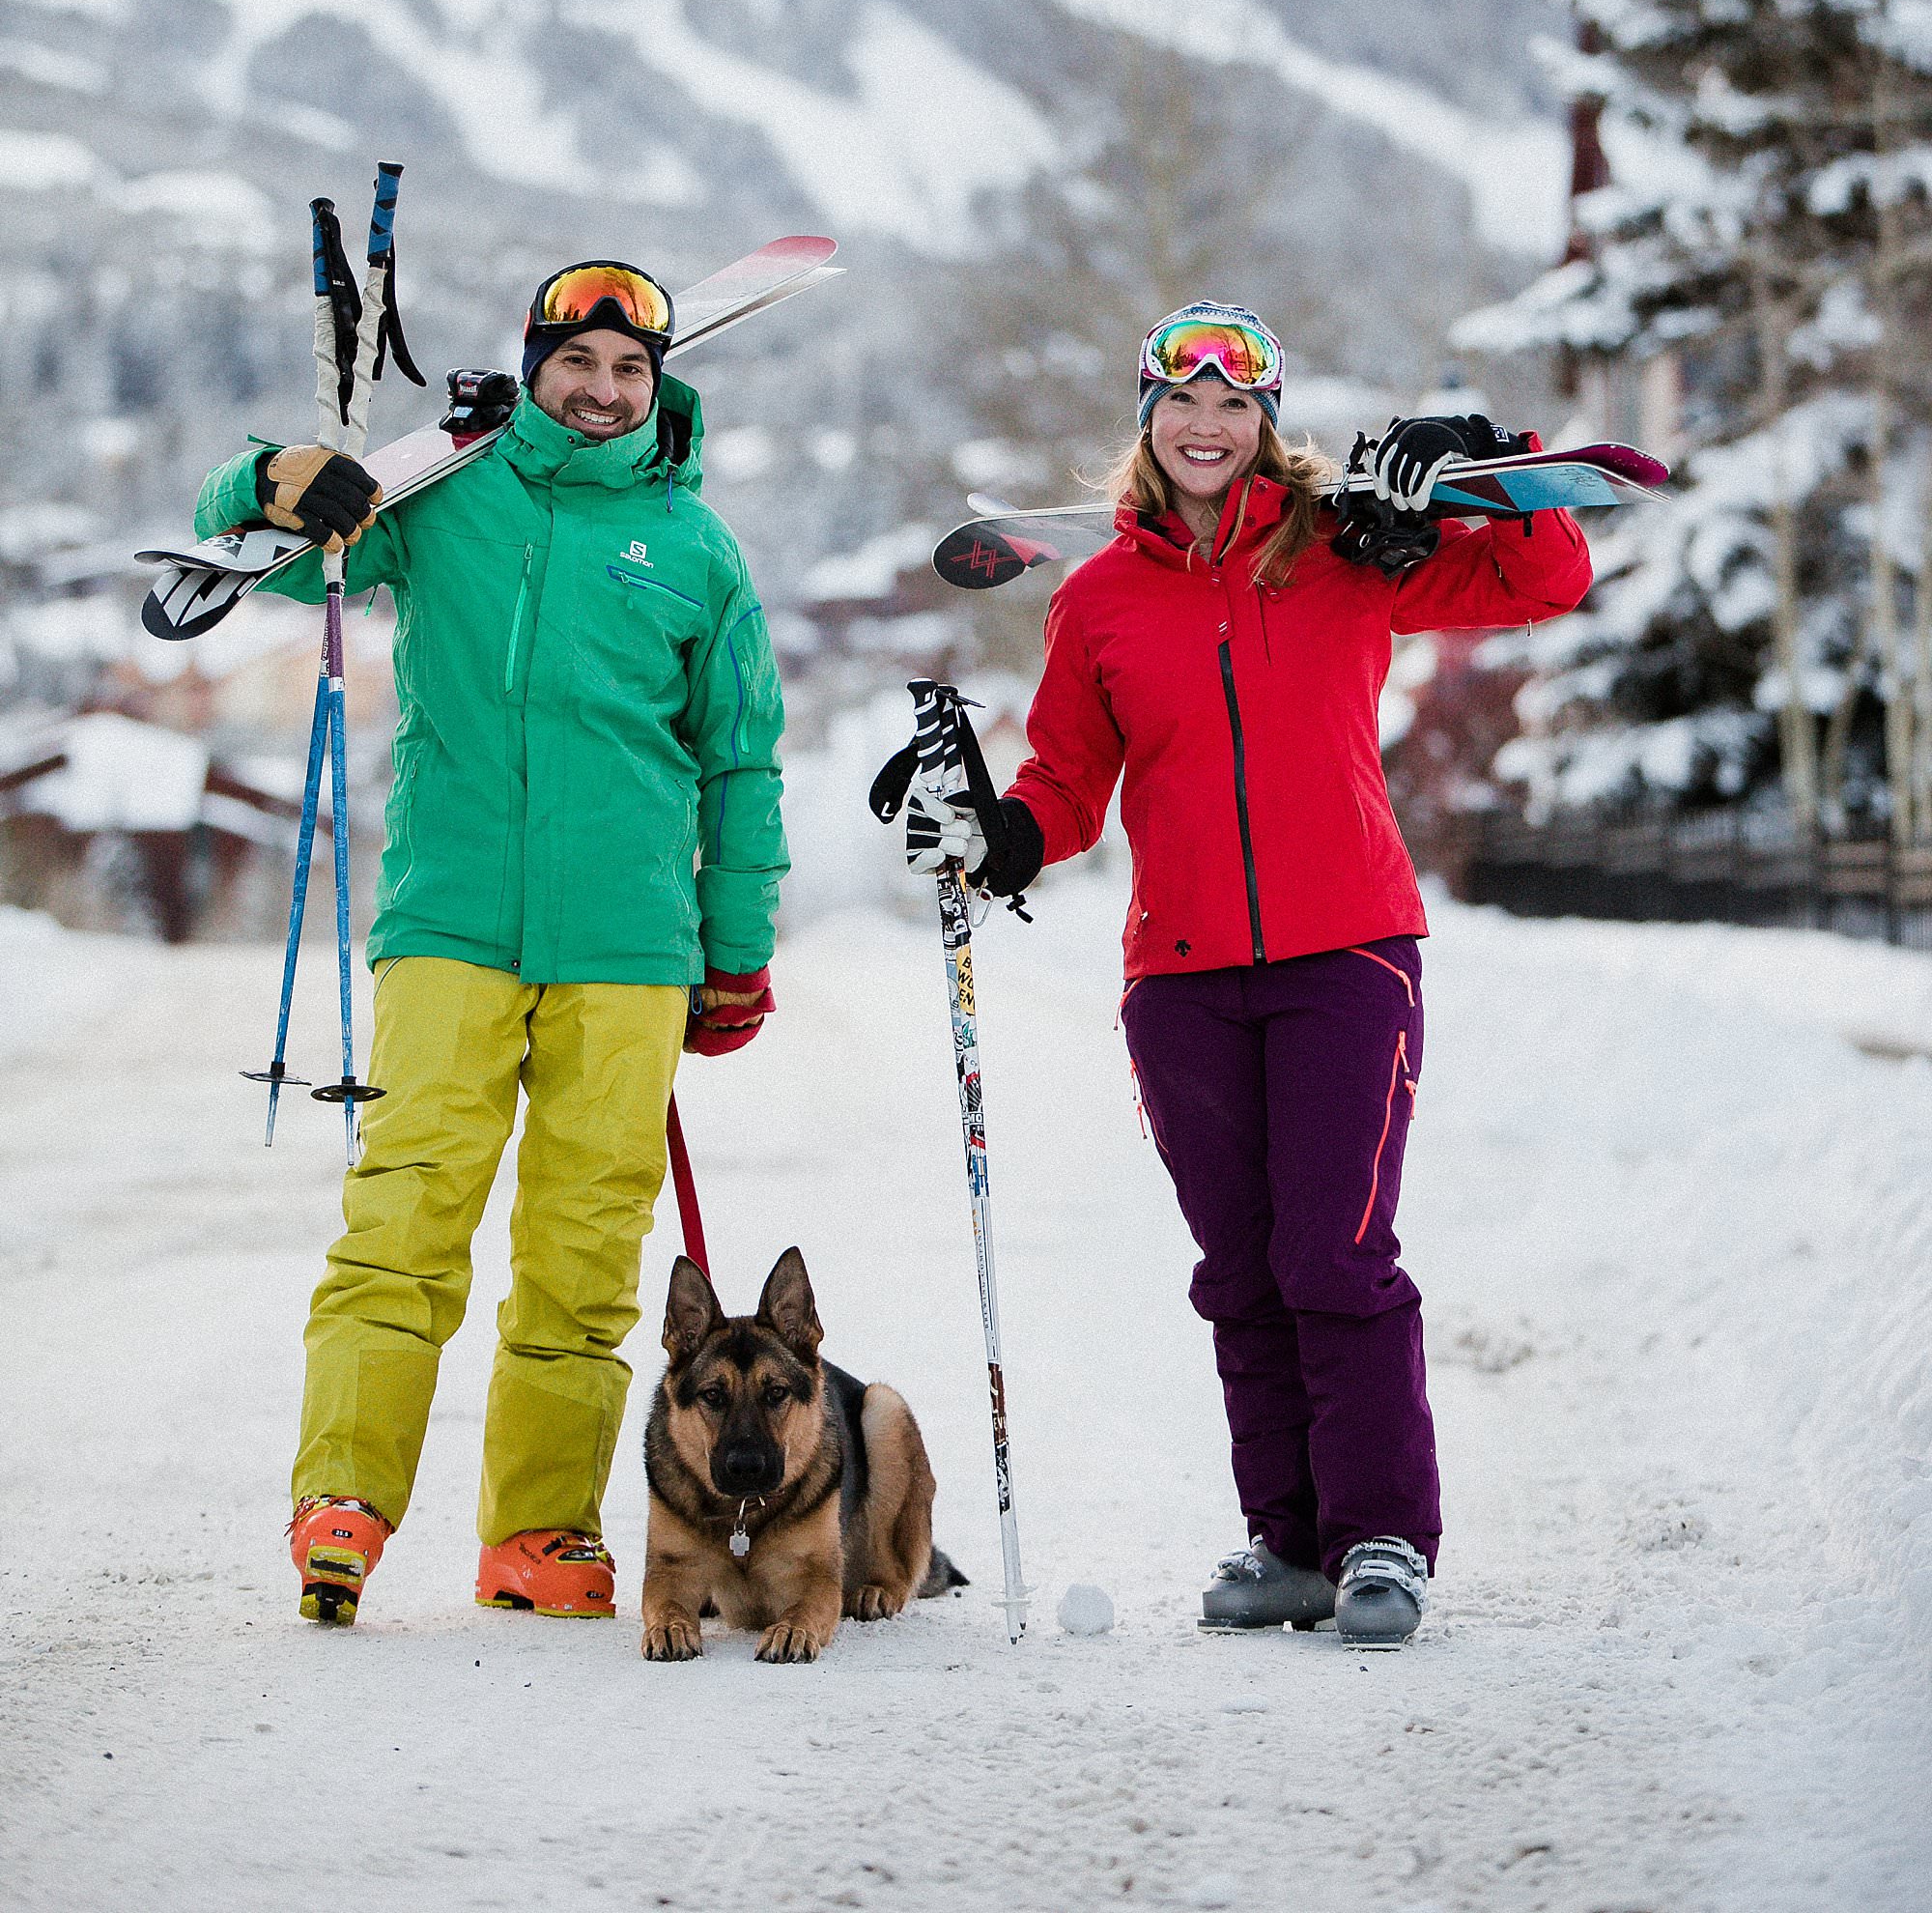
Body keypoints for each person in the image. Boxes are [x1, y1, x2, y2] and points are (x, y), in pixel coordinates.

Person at [907, 302, 1590, 1647]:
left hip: (1349, 956)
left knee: (1334, 1252)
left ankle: (1380, 1535)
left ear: (1266, 420)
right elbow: (1066, 783)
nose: (1207, 423)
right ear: (1148, 418)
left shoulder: (1349, 550)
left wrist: (1496, 466)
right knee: (1240, 1265)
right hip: (1181, 976)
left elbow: (1544, 581)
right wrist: (991, 837)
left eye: (1234, 403)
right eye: (1182, 400)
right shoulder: (1099, 596)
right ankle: (1286, 1539)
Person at [193, 261, 785, 1626]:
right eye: (576, 364)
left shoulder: (697, 550)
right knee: (407, 1214)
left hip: (631, 947)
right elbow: (266, 553)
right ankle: (341, 1499)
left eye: (627, 370)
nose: (600, 389)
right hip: (452, 917)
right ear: (532, 368)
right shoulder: (442, 496)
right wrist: (277, 476)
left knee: (584, 1254)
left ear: (659, 388)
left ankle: (540, 1531)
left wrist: (734, 948)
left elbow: (740, 765)